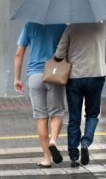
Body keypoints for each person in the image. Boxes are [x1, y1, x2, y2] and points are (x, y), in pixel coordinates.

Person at [54, 22, 106, 168]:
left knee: (74, 118)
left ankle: (73, 156)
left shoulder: (71, 27)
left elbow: (59, 54)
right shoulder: (102, 26)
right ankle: (85, 142)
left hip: (75, 77)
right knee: (92, 114)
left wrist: (62, 57)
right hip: (97, 74)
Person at [14, 22, 66, 168]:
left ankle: (46, 158)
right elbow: (67, 50)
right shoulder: (61, 26)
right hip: (54, 73)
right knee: (57, 113)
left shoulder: (30, 25)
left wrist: (17, 78)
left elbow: (19, 53)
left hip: (34, 76)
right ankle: (53, 141)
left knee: (41, 117)